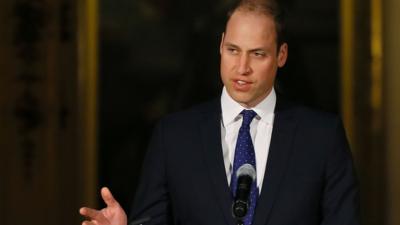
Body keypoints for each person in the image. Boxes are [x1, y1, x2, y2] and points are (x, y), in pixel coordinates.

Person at [79, 0, 360, 224]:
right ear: (220, 47)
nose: (242, 67)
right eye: (233, 50)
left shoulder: (321, 137)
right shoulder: (174, 135)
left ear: (281, 55)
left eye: (258, 53)